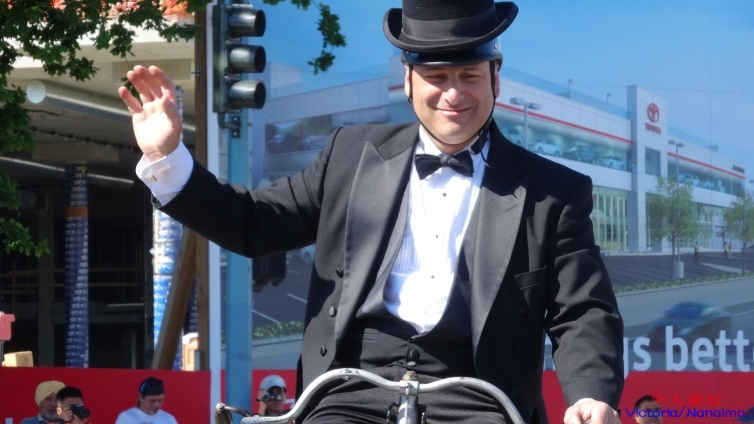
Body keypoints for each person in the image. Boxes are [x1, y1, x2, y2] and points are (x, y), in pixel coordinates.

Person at [119, 0, 624, 422]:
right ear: (408, 80)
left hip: (478, 399)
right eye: (436, 76)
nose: (454, 93)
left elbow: (582, 309)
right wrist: (169, 158)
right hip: (348, 392)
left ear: (496, 77)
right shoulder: (350, 154)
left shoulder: (554, 191)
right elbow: (254, 223)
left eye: (470, 75)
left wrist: (591, 395)